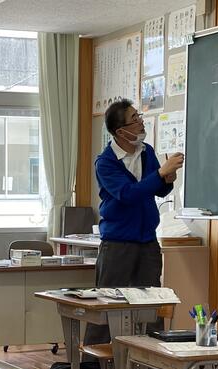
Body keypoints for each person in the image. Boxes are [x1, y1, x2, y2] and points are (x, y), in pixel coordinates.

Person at [86, 99, 184, 345]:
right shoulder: (105, 162)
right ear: (121, 131)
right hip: (117, 243)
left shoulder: (146, 151)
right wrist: (160, 174)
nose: (141, 121)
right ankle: (93, 362)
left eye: (139, 116)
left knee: (151, 304)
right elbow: (127, 194)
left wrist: (168, 178)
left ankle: (152, 358)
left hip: (147, 241)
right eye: (135, 118)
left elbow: (158, 190)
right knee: (107, 303)